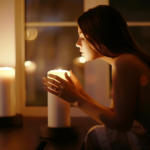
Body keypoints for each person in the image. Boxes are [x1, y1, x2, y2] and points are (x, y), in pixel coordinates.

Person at [42, 5, 150, 150]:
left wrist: (77, 100)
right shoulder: (124, 62)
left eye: (81, 36)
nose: (77, 43)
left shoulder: (125, 63)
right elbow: (114, 115)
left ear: (101, 35)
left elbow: (122, 124)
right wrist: (81, 94)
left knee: (97, 134)